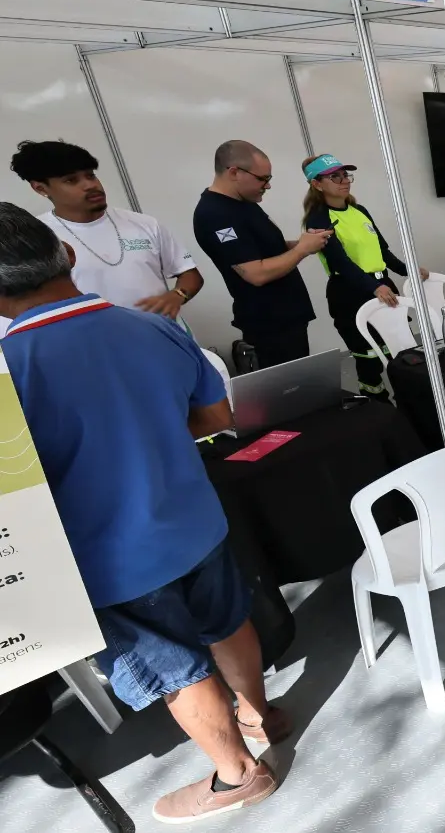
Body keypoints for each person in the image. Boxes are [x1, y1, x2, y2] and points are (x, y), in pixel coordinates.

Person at [0, 204, 288, 823]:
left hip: (110, 558)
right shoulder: (154, 327)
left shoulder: (9, 369)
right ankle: (261, 717)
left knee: (176, 670)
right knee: (228, 620)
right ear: (68, 255)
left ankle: (237, 775)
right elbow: (215, 420)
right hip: (193, 520)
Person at [11, 139, 203, 319]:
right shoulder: (37, 239)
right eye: (71, 180)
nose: (90, 185)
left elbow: (189, 273)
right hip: (95, 345)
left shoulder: (144, 224)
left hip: (167, 337)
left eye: (90, 175)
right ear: (40, 188)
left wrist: (177, 295)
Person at [301, 154, 425, 399]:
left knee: (401, 351)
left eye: (345, 174)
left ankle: (415, 402)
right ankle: (378, 405)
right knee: (369, 358)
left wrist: (408, 270)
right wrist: (374, 287)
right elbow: (340, 262)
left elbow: (382, 250)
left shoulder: (359, 211)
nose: (344, 180)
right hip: (350, 292)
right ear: (317, 184)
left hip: (381, 285)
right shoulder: (318, 218)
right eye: (334, 176)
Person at [193, 140, 323, 369]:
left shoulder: (244, 202)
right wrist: (303, 250)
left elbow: (263, 246)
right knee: (287, 391)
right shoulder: (215, 215)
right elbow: (255, 273)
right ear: (234, 172)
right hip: (270, 325)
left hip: (288, 316)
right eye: (263, 179)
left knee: (301, 381)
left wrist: (302, 243)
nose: (268, 186)